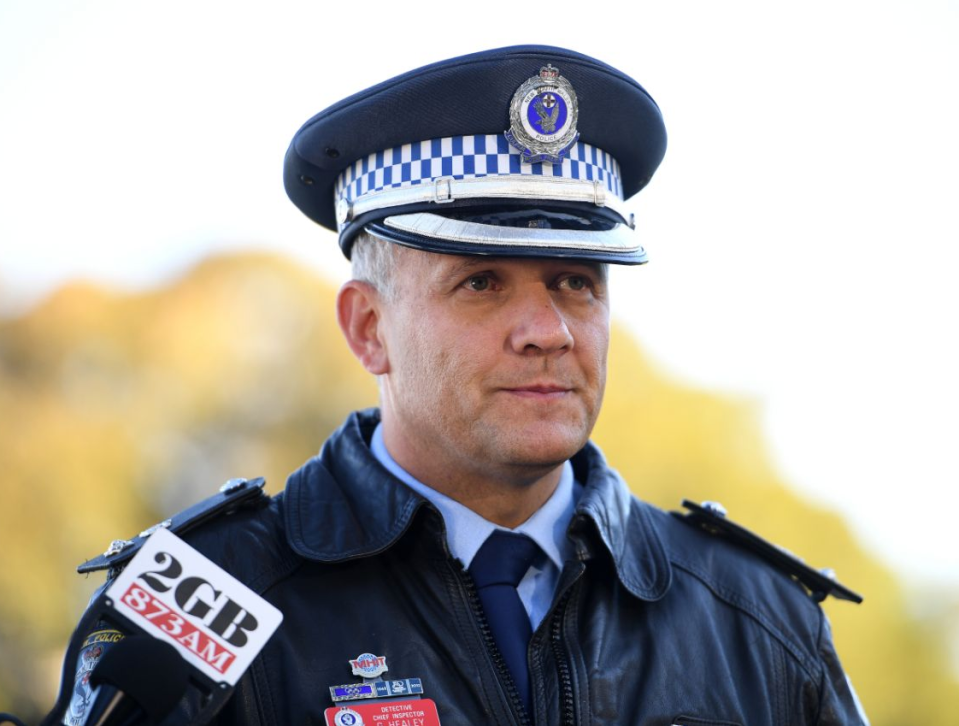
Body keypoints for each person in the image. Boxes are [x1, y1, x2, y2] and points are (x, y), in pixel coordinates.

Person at [51, 45, 867, 725]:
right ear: (368, 328)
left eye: (576, 282)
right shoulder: (199, 611)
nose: (546, 329)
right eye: (481, 282)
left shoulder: (756, 623)